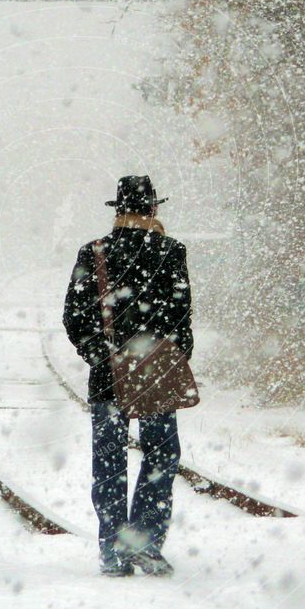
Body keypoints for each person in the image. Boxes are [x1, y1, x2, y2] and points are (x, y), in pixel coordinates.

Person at [62, 175, 193, 577]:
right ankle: (147, 543)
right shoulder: (171, 251)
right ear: (153, 209)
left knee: (109, 462)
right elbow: (181, 318)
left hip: (107, 378)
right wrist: (169, 360)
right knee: (160, 456)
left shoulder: (95, 251)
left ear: (118, 211)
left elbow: (74, 318)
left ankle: (114, 550)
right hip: (155, 373)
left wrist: (103, 356)